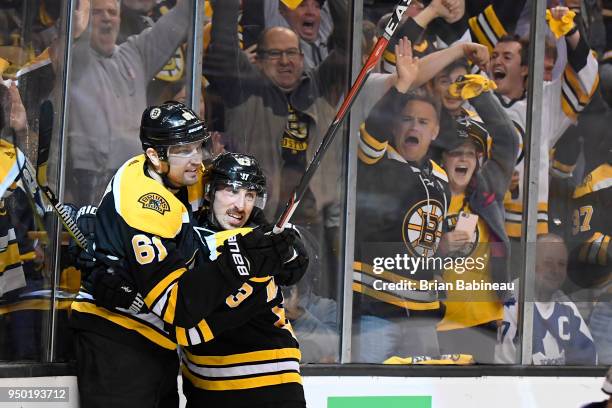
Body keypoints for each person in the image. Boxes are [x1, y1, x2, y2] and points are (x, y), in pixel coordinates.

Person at [70, 102, 296, 408]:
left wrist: (279, 247)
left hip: (158, 348)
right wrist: (244, 256)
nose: (197, 161)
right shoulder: (146, 204)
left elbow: (211, 231)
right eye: (183, 151)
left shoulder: (179, 176)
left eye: (197, 147)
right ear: (155, 155)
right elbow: (175, 306)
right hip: (118, 340)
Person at [180, 152, 309, 408]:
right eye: (231, 191)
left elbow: (295, 264)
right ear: (209, 191)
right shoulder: (186, 235)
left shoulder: (263, 238)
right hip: (206, 386)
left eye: (249, 195)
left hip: (273, 383)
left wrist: (285, 249)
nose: (241, 205)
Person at [352, 39, 451, 362]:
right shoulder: (376, 160)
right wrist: (401, 87)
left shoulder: (442, 177)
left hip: (423, 314)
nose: (414, 127)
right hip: (374, 310)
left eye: (423, 122)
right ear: (395, 125)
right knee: (365, 394)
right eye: (407, 119)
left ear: (435, 132)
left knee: (423, 394)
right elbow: (374, 128)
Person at [57, 0, 192, 206]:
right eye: (97, 12)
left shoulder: (134, 54)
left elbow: (178, 19)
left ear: (120, 18)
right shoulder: (75, 56)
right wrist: (75, 30)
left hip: (136, 175)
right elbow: (58, 54)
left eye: (112, 12)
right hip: (89, 180)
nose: (106, 18)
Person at [435, 74, 518, 364]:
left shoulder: (487, 187)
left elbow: (508, 140)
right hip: (436, 322)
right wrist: (441, 246)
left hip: (484, 320)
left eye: (470, 154)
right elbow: (408, 251)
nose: (463, 159)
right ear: (442, 160)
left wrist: (481, 96)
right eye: (455, 153)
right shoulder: (428, 192)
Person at [496, 234, 597, 365]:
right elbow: (505, 372)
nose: (555, 270)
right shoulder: (509, 303)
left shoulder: (566, 307)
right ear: (531, 264)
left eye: (561, 264)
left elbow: (588, 360)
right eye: (548, 263)